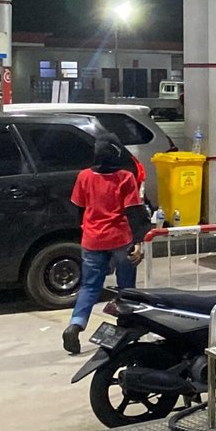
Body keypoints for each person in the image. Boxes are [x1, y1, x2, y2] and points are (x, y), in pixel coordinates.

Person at [61, 137, 149, 354]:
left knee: (90, 286)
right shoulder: (125, 177)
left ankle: (76, 324)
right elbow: (134, 212)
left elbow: (78, 208)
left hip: (92, 239)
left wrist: (86, 229)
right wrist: (139, 241)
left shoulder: (84, 176)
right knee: (125, 287)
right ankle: (125, 326)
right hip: (120, 239)